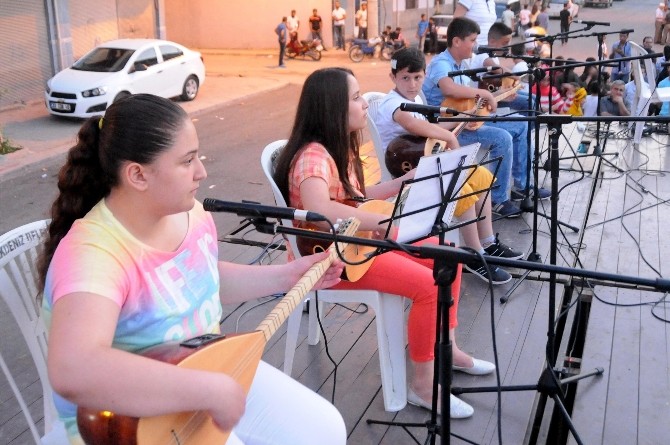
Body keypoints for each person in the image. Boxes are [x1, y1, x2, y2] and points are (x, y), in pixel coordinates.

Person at [38, 94, 348, 445]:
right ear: (138, 175)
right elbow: (74, 370)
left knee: (324, 429)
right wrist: (205, 389)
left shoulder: (190, 212)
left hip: (203, 369)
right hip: (128, 421)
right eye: (187, 161)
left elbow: (203, 280)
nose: (202, 171)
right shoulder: (92, 253)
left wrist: (288, 277)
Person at [273, 67, 496, 419]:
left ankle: (447, 349)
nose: (365, 104)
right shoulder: (313, 155)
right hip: (332, 258)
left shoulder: (335, 148)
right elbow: (320, 209)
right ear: (333, 107)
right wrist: (385, 221)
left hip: (354, 243)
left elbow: (355, 197)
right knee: (427, 284)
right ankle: (423, 386)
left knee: (446, 257)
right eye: (357, 97)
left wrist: (404, 181)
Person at [374, 47, 523, 283]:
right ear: (393, 77)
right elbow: (411, 124)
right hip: (409, 172)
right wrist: (451, 137)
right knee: (461, 187)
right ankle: (474, 255)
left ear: (424, 76)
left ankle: (488, 243)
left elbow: (430, 132)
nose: (412, 84)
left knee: (480, 175)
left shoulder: (417, 98)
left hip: (429, 161)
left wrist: (464, 120)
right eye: (405, 78)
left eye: (417, 78)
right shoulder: (392, 103)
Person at [422, 17, 541, 218]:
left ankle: (522, 185)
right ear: (457, 41)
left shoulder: (461, 64)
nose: (476, 45)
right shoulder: (441, 62)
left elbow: (465, 99)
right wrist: (484, 95)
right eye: (472, 40)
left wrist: (498, 96)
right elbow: (448, 88)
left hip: (467, 119)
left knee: (520, 125)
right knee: (502, 137)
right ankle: (497, 199)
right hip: (448, 130)